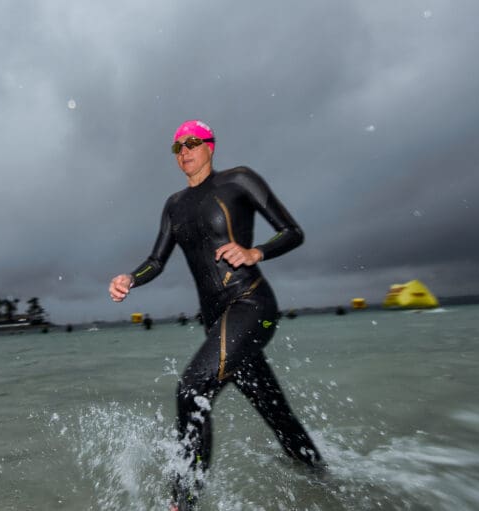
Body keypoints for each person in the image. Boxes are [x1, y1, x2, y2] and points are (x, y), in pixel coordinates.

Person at [108, 120, 323, 510]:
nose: (184, 151)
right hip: (218, 322)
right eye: (177, 147)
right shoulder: (174, 205)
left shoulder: (238, 180)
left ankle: (182, 501)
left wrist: (255, 252)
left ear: (211, 145)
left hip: (253, 304)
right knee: (276, 413)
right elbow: (156, 261)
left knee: (192, 390)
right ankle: (321, 478)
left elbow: (292, 231)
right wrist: (130, 279)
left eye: (191, 143)